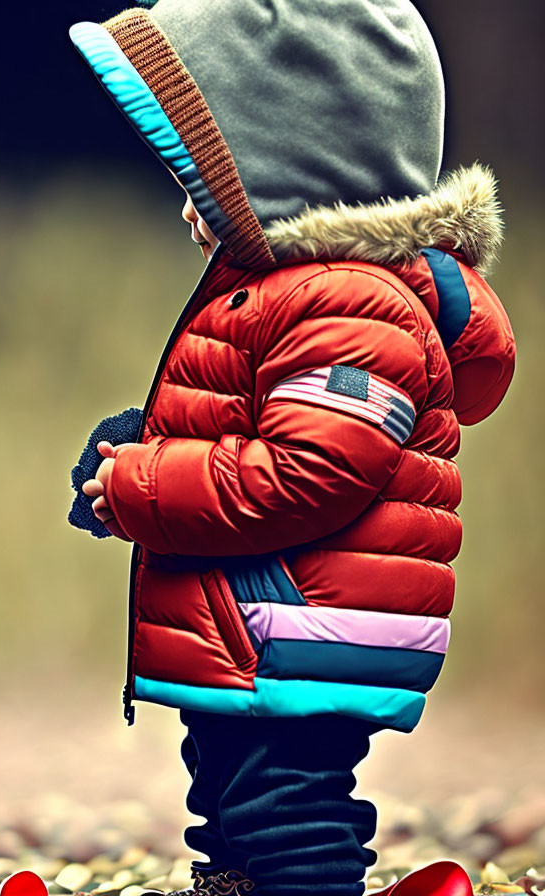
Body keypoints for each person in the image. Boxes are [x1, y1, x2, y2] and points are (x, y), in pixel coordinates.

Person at [67, 2, 515, 895]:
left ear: (285, 169)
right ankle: (236, 880)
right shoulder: (293, 289)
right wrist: (141, 446)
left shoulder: (349, 300)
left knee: (286, 801)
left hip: (297, 622)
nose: (190, 209)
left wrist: (143, 485)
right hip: (268, 623)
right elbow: (249, 422)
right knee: (230, 790)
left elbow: (309, 473)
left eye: (204, 179)